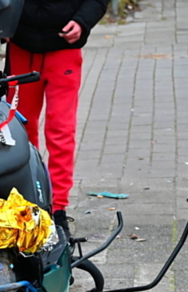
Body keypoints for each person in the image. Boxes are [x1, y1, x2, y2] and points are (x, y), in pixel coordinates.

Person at [6, 0, 110, 235]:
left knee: (61, 131)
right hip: (21, 47)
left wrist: (83, 22)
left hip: (64, 49)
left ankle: (58, 209)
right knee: (19, 131)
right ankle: (24, 203)